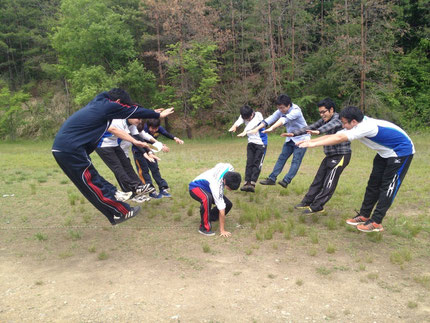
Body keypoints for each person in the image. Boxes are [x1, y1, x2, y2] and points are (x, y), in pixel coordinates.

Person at [52, 88, 174, 225]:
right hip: (69, 149)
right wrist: (157, 115)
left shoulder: (99, 104)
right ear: (117, 102)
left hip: (69, 148)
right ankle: (120, 211)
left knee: (92, 179)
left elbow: (132, 112)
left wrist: (150, 113)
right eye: (122, 106)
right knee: (91, 183)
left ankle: (115, 195)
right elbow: (132, 111)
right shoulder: (107, 105)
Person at [298, 106, 414, 232]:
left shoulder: (365, 127)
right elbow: (333, 136)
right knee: (373, 184)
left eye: (344, 123)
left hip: (401, 152)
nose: (342, 125)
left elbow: (339, 139)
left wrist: (313, 144)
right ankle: (364, 215)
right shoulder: (356, 124)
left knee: (388, 187)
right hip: (384, 153)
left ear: (353, 122)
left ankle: (376, 222)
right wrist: (311, 141)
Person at [265, 98, 351, 214]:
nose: (322, 115)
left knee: (329, 182)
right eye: (320, 112)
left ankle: (318, 206)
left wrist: (319, 131)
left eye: (324, 112)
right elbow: (311, 126)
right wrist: (294, 133)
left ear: (331, 110)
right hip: (330, 155)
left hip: (341, 155)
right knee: (318, 179)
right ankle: (307, 201)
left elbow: (329, 126)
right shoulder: (324, 120)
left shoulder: (338, 118)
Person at [249, 94, 309, 188]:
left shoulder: (296, 111)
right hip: (290, 138)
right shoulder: (280, 110)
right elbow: (270, 118)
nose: (280, 110)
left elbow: (283, 119)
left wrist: (272, 128)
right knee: (282, 158)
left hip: (302, 138)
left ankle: (286, 180)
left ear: (289, 105)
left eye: (282, 108)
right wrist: (257, 128)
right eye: (279, 108)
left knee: (296, 160)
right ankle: (272, 179)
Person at [95, 118, 156, 203]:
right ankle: (133, 189)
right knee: (118, 168)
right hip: (103, 144)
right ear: (130, 116)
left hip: (114, 144)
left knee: (127, 166)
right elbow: (132, 138)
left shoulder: (132, 124)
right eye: (137, 118)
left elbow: (137, 137)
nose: (139, 121)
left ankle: (139, 187)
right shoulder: (119, 122)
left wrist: (148, 151)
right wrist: (144, 152)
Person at [133, 118, 184, 198]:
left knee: (155, 169)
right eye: (152, 128)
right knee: (144, 171)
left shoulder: (158, 128)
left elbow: (165, 133)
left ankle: (162, 187)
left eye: (156, 128)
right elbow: (142, 143)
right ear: (148, 126)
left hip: (151, 151)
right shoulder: (143, 128)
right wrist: (160, 146)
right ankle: (151, 190)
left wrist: (175, 138)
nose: (154, 130)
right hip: (139, 151)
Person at [189, 163, 241, 237]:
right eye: (229, 188)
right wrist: (222, 230)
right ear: (225, 181)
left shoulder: (230, 167)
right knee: (207, 198)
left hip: (209, 188)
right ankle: (204, 228)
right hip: (195, 187)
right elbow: (221, 209)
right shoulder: (216, 185)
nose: (230, 190)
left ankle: (209, 217)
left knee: (228, 204)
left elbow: (219, 165)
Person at [228, 105, 267, 192]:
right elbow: (240, 120)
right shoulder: (244, 116)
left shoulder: (258, 115)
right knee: (249, 162)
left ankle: (252, 183)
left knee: (257, 163)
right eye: (245, 119)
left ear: (252, 114)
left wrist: (244, 132)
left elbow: (251, 125)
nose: (247, 120)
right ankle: (246, 183)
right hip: (251, 143)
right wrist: (235, 126)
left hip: (261, 143)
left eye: (248, 118)